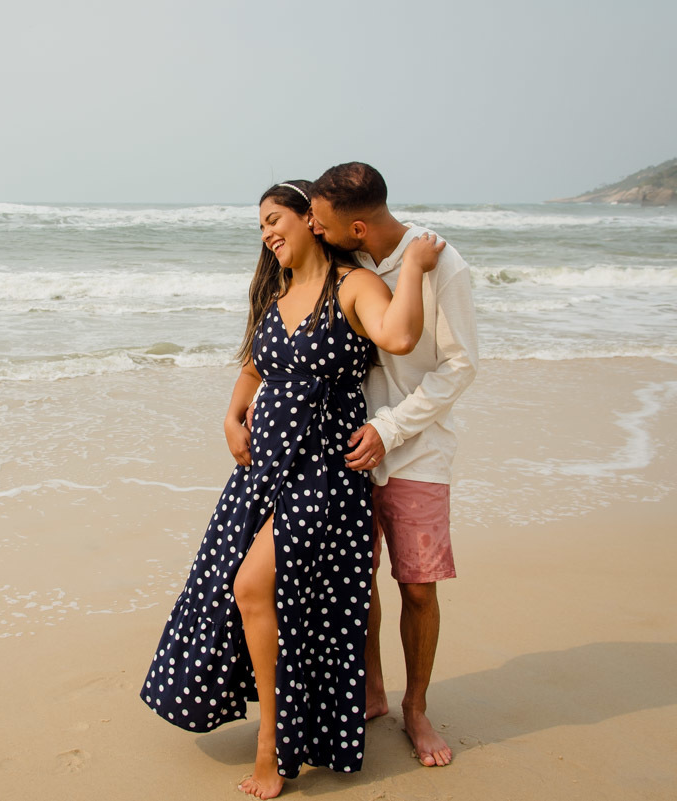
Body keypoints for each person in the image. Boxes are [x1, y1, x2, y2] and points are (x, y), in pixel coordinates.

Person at [140, 179, 442, 798]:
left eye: (275, 219)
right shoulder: (275, 294)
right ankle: (291, 726)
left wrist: (412, 265)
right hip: (264, 471)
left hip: (326, 472)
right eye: (260, 226)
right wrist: (232, 415)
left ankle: (271, 746)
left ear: (312, 219)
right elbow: (256, 365)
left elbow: (399, 337)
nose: (267, 233)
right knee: (243, 591)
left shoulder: (353, 285)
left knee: (253, 585)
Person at [307, 162, 479, 768]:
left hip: (418, 449)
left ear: (357, 226)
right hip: (347, 450)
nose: (315, 231)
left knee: (418, 587)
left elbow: (459, 367)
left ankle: (417, 708)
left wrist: (390, 428)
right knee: (358, 579)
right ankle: (374, 690)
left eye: (322, 223)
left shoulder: (441, 263)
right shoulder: (346, 262)